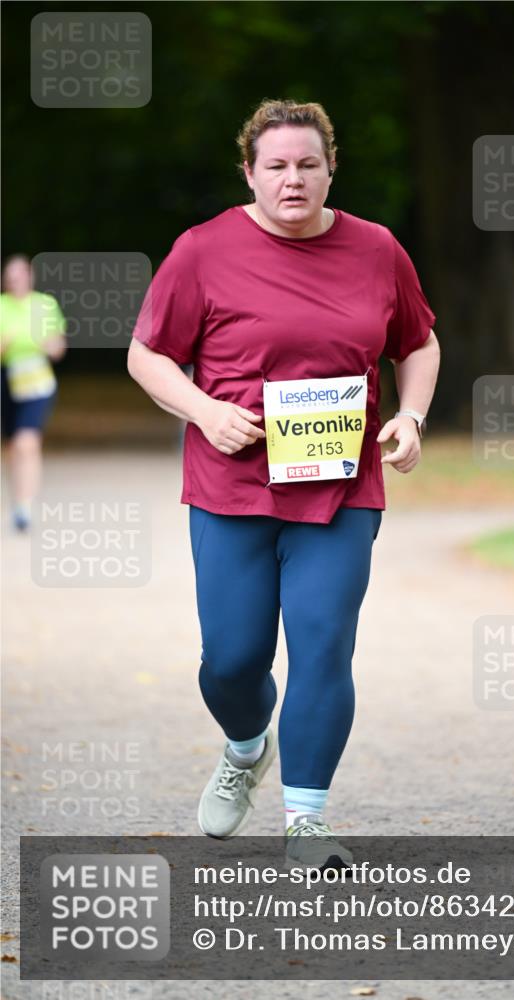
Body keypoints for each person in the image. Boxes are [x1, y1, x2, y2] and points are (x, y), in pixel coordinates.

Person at [127, 99, 440, 866]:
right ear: (249, 173)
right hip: (232, 485)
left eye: (308, 164)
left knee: (323, 645)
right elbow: (147, 355)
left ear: (331, 169)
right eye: (276, 166)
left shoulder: (376, 249)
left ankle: (306, 822)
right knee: (231, 661)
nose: (292, 179)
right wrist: (203, 411)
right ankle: (244, 746)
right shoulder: (202, 250)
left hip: (339, 487)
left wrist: (413, 416)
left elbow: (419, 343)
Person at [0, 255, 67, 532]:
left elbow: (59, 348)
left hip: (37, 380)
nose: (15, 281)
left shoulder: (45, 305)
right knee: (11, 447)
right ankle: (17, 499)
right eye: (10, 276)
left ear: (30, 277)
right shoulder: (1, 307)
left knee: (28, 442)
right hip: (7, 378)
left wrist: (48, 345)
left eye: (20, 275)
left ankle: (26, 506)